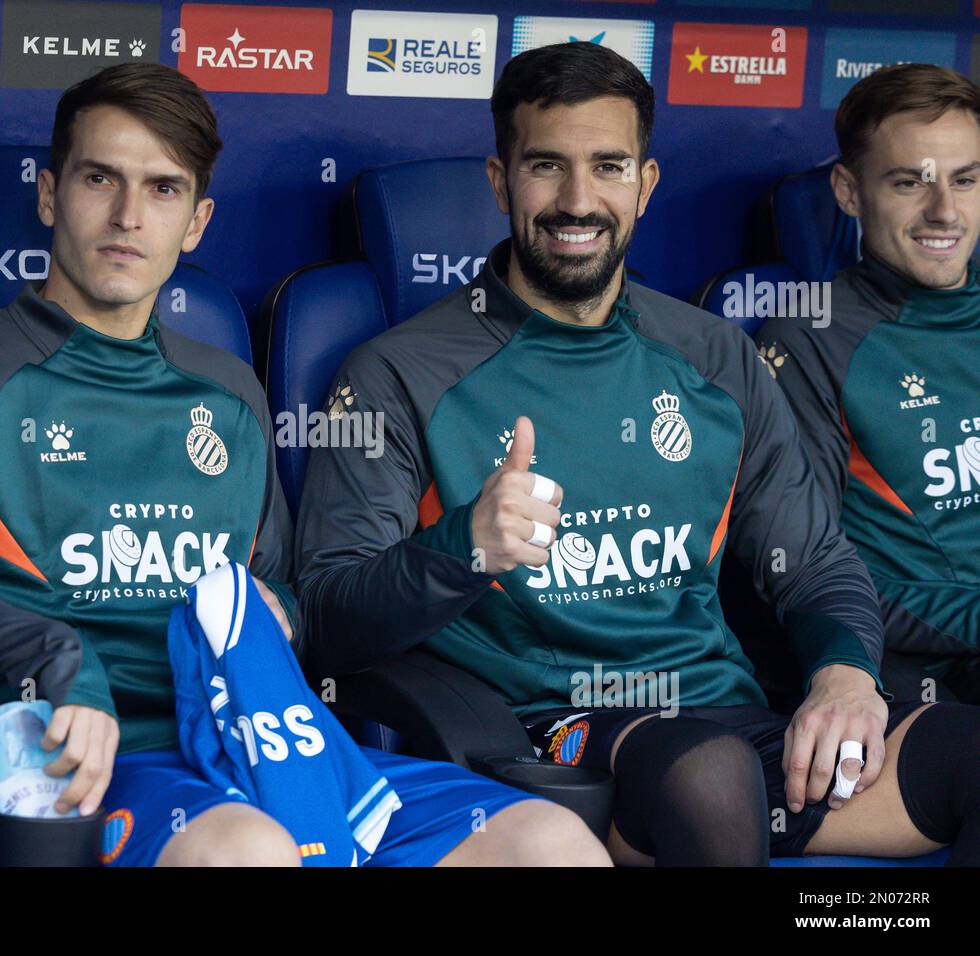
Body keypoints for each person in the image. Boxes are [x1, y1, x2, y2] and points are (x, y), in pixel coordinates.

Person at [0, 62, 606, 867]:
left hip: (268, 751)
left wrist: (440, 554)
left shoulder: (226, 389)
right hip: (98, 771)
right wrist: (53, 657)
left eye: (163, 190)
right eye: (102, 179)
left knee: (550, 842)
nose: (129, 216)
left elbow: (290, 608)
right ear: (50, 195)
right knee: (254, 852)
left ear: (196, 223)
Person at [295, 42, 980, 865]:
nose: (577, 200)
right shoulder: (398, 371)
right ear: (499, 179)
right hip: (556, 741)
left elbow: (814, 561)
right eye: (546, 166)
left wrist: (843, 675)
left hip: (731, 722)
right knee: (708, 775)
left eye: (609, 166)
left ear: (646, 185)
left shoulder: (715, 355)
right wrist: (462, 548)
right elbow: (326, 622)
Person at [756, 63, 980, 704]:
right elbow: (809, 573)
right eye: (911, 183)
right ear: (849, 192)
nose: (945, 211)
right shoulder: (808, 335)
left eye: (965, 180)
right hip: (920, 676)